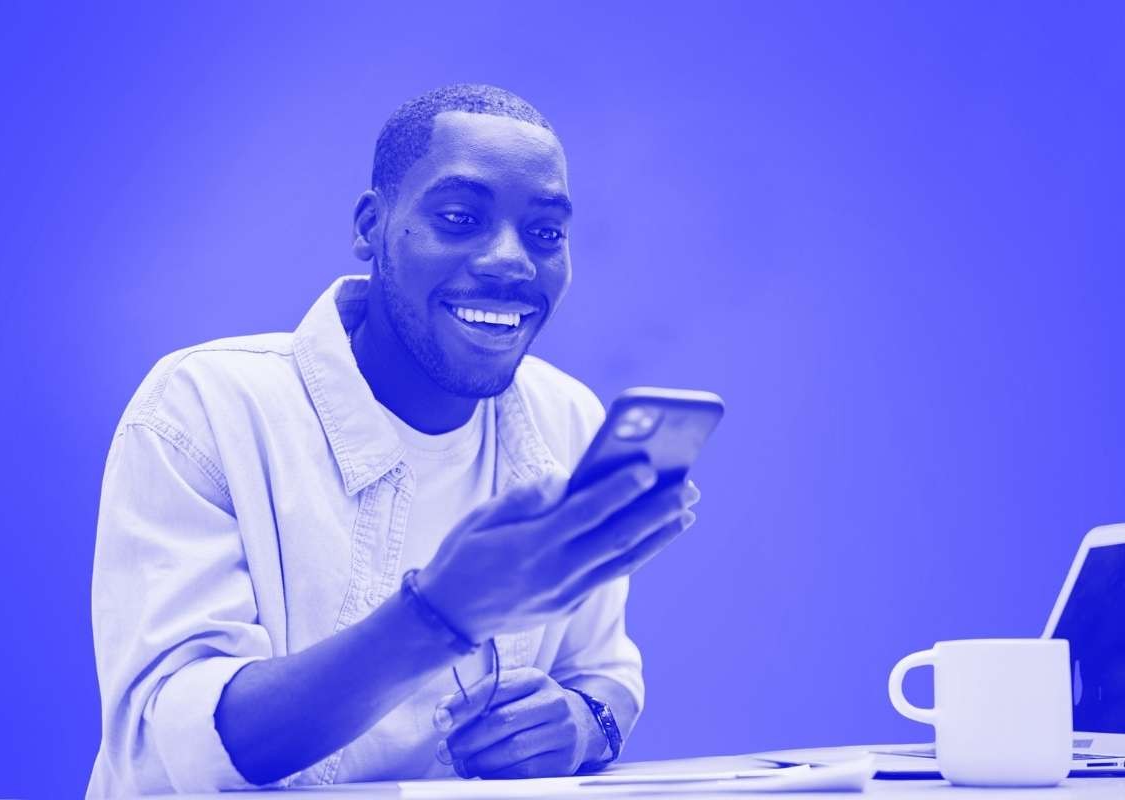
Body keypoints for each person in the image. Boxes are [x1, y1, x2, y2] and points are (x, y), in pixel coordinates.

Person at [86, 83, 701, 797]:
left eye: (545, 234)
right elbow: (188, 749)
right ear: (370, 227)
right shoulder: (204, 409)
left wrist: (584, 720)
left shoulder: (566, 418)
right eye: (460, 218)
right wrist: (442, 613)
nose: (511, 260)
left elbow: (605, 671)